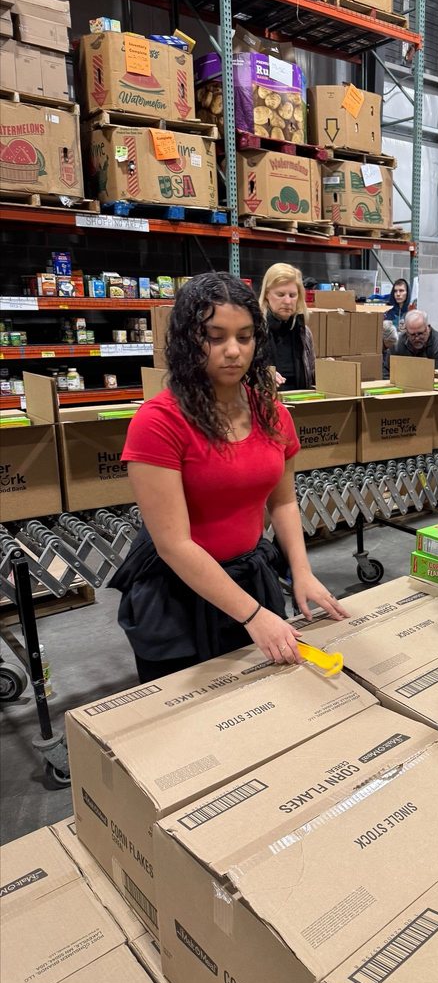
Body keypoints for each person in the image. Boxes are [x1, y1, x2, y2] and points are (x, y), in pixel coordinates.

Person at [109, 272, 348, 683]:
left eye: (245, 336)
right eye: (215, 337)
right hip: (178, 597)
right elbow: (174, 545)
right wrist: (253, 616)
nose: (233, 351)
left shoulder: (271, 412)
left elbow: (283, 501)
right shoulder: (159, 422)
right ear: (188, 340)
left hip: (250, 577)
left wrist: (301, 571)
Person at [260, 263, 315, 390]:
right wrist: (263, 376)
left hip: (299, 404)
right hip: (266, 403)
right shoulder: (254, 332)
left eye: (292, 295)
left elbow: (310, 375)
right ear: (267, 294)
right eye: (280, 295)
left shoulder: (304, 334)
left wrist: (326, 369)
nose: (287, 301)